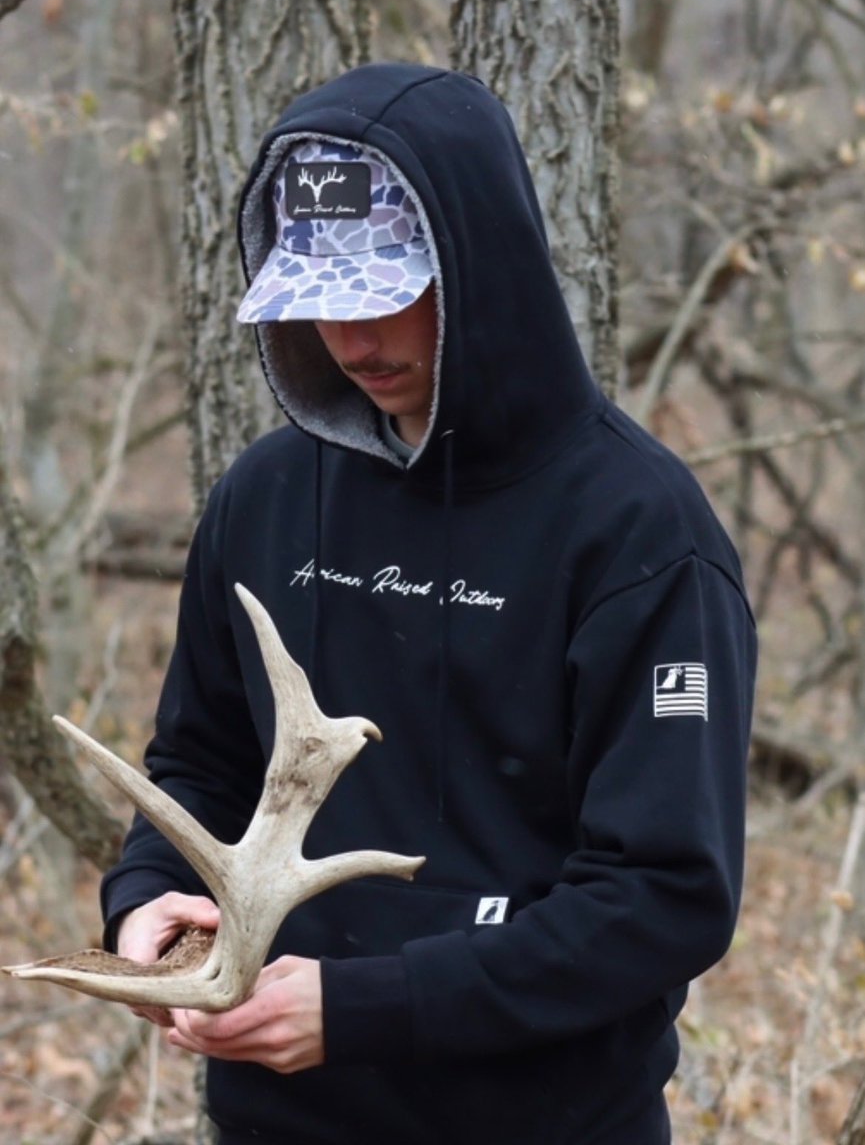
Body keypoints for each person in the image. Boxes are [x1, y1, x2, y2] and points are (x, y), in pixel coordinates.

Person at [101, 63, 757, 1145]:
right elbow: (200, 762)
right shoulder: (267, 498)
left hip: (542, 1122)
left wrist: (367, 1007)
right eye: (318, 298)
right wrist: (151, 896)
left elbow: (661, 897)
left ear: (482, 268)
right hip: (282, 1121)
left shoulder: (638, 534)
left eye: (385, 293)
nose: (351, 343)